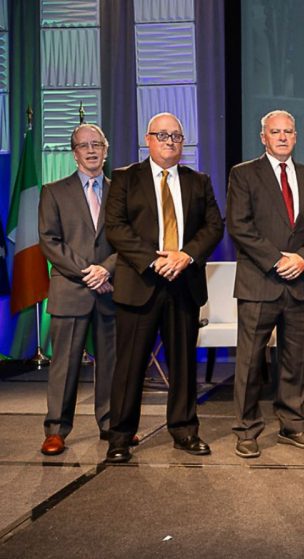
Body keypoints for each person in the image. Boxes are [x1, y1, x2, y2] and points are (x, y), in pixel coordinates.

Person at [103, 112, 223, 463]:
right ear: (148, 139)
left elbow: (214, 227)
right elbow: (116, 228)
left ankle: (185, 430)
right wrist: (156, 260)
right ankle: (120, 437)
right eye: (163, 135)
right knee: (129, 366)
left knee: (184, 364)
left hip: (183, 283)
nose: (170, 141)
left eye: (177, 136)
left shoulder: (198, 181)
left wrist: (185, 256)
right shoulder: (126, 178)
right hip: (140, 282)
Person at [226, 110, 304, 458]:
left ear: (296, 136)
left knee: (297, 359)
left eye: (288, 131)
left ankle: (293, 424)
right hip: (260, 281)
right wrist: (276, 260)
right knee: (250, 361)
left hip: (301, 282)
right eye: (275, 132)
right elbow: (240, 226)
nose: (283, 137)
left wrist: (302, 259)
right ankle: (246, 429)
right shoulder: (243, 175)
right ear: (263, 137)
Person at [37, 123, 118, 455]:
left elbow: (129, 242)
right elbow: (49, 242)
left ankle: (113, 424)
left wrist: (106, 269)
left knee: (112, 365)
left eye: (96, 143)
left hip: (111, 289)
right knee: (65, 365)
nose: (91, 150)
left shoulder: (120, 192)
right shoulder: (53, 191)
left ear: (106, 149)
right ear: (74, 153)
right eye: (83, 145)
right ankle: (56, 430)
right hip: (71, 289)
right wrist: (89, 273)